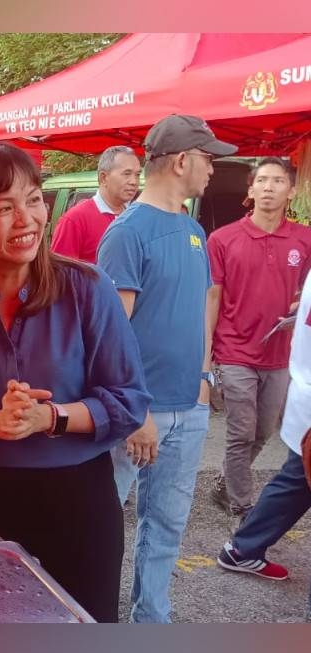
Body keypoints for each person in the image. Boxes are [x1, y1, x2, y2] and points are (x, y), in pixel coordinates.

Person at [0, 142, 150, 623]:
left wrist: (49, 417)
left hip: (77, 500)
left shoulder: (87, 287)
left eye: (34, 199)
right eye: (3, 207)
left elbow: (127, 400)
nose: (27, 219)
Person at [97, 113, 238, 623]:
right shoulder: (128, 233)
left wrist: (202, 380)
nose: (212, 171)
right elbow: (113, 336)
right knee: (102, 525)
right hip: (139, 414)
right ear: (181, 160)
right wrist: (137, 412)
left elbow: (201, 309)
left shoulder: (193, 229)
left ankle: (150, 626)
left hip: (189, 408)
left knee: (166, 531)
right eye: (207, 159)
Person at [207, 158, 309, 521]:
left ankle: (225, 481)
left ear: (291, 190)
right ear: (250, 190)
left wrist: (299, 304)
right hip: (234, 350)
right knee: (241, 429)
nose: (269, 187)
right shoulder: (222, 239)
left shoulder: (304, 239)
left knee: (265, 430)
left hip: (282, 353)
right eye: (262, 180)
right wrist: (206, 360)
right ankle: (241, 503)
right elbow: (212, 298)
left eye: (278, 181)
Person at [216, 262, 311, 582]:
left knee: (295, 481)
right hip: (299, 391)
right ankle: (243, 543)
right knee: (291, 476)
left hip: (303, 395)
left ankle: (243, 548)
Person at [50, 145, 142, 263]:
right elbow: (60, 272)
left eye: (137, 175)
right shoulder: (75, 219)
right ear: (103, 177)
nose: (134, 182)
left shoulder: (136, 216)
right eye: (126, 174)